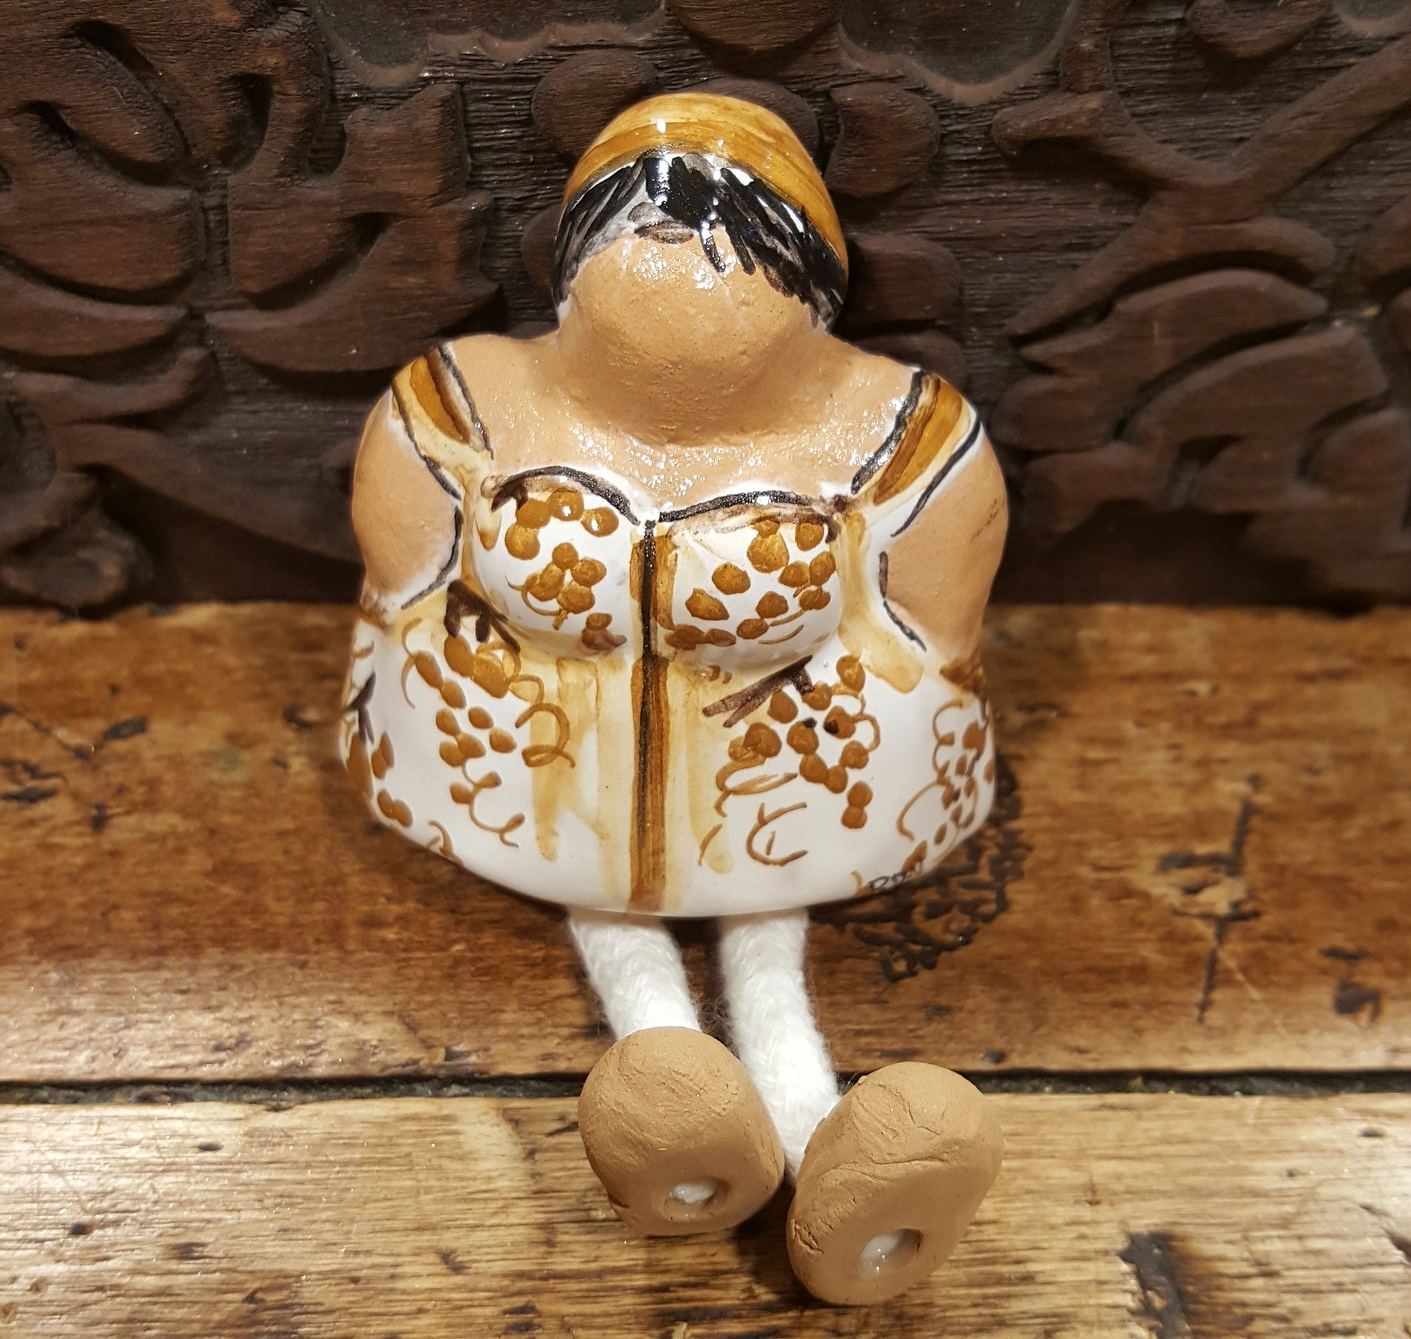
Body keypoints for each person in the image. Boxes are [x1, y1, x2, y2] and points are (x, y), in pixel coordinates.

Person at [341, 93, 1008, 1304]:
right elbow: (400, 588)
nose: (686, 253)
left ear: (813, 281)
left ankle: (833, 1154)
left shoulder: (906, 439)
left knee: (764, 930)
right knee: (617, 922)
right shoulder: (456, 405)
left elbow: (936, 636)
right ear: (570, 258)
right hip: (548, 794)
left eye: (741, 234)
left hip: (779, 803)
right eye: (637, 220)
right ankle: (674, 1104)